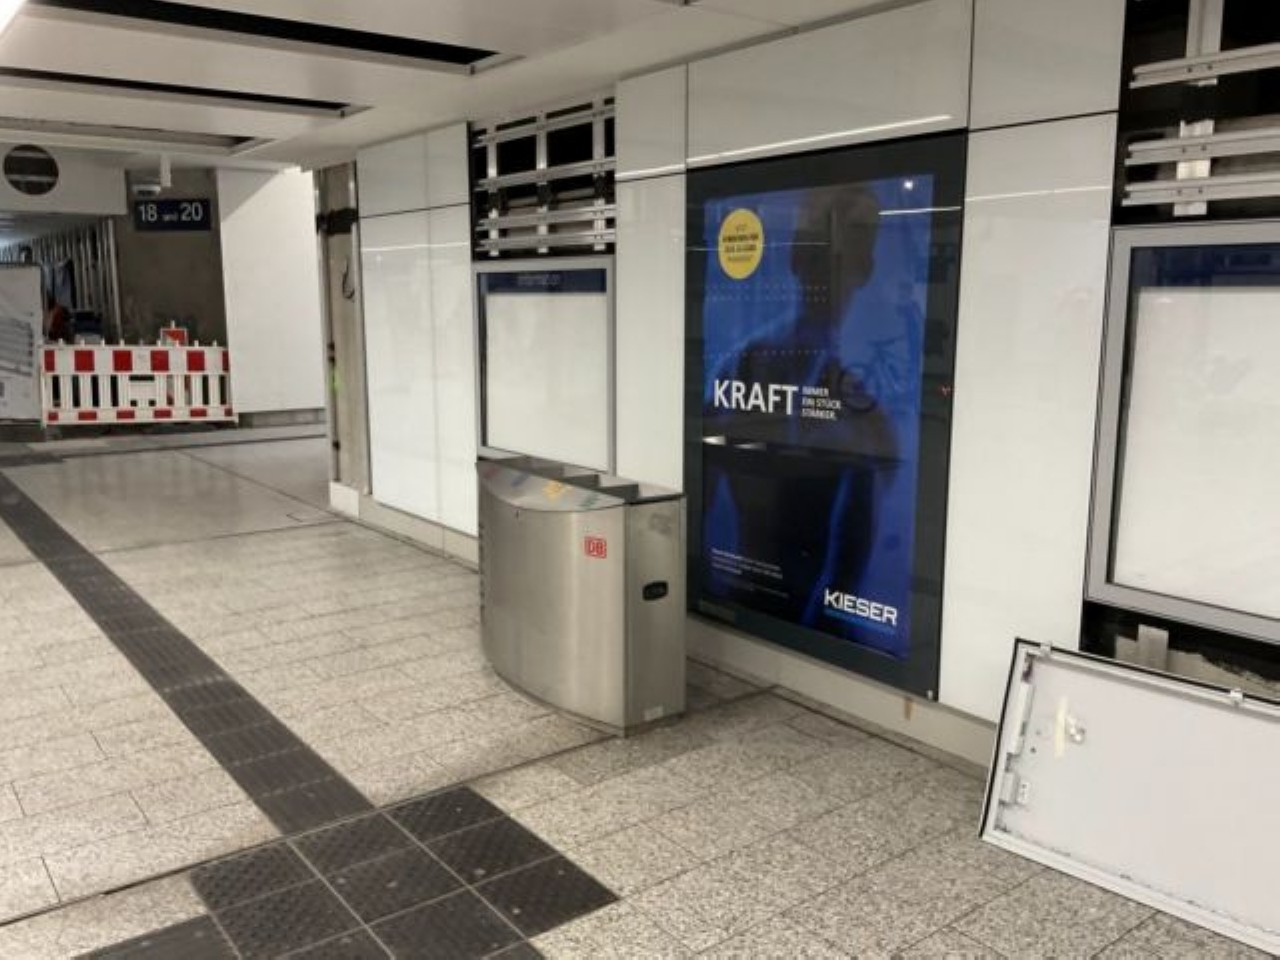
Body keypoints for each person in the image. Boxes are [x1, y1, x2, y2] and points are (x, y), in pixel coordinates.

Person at [701, 184, 902, 640]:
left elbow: (849, 570)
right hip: (743, 608)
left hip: (760, 615)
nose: (830, 271)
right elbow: (700, 505)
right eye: (819, 254)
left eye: (845, 254)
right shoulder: (740, 367)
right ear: (795, 257)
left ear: (865, 268)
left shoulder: (864, 409)